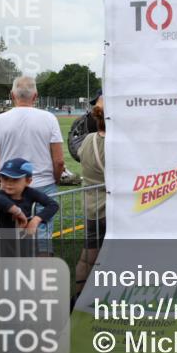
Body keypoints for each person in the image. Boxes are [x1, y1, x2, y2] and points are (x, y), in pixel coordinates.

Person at [0, 76, 65, 256]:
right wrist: (56, 179)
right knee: (42, 236)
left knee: (9, 237)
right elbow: (59, 160)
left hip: (11, 188)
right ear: (35, 96)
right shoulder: (49, 118)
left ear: (12, 95)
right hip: (44, 183)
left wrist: (4, 183)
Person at [0, 158, 60, 258]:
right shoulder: (1, 194)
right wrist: (18, 213)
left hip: (27, 247)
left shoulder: (30, 193)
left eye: (15, 179)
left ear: (28, 181)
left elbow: (53, 205)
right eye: (5, 178)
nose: (9, 183)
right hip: (4, 249)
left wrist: (36, 220)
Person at [76, 95, 107, 295]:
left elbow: (79, 154)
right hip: (114, 209)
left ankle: (77, 296)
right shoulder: (119, 143)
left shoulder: (88, 140)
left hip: (92, 207)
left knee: (87, 257)